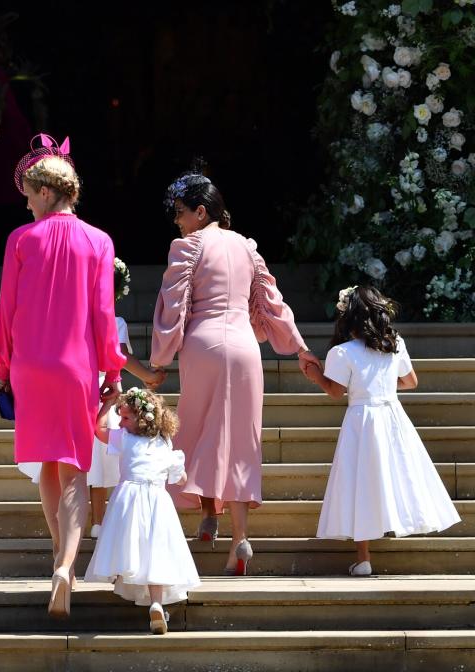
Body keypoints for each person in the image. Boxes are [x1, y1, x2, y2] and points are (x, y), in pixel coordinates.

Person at [151, 171, 320, 576]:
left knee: (196, 430)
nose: (177, 220)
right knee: (242, 441)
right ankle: (239, 538)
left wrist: (159, 360)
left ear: (201, 211)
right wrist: (299, 347)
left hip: (203, 346)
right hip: (245, 349)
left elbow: (173, 308)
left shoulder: (188, 246)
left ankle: (209, 515)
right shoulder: (248, 248)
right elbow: (273, 303)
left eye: (180, 212)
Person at [0, 134, 126, 619]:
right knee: (74, 471)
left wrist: (3, 369)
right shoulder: (100, 241)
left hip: (30, 365)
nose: (25, 202)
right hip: (76, 367)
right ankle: (67, 563)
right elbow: (103, 314)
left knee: (47, 464)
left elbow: (8, 311)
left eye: (28, 192)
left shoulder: (21, 240)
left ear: (47, 192)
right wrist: (111, 368)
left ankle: (57, 554)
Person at [303, 286, 460, 575]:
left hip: (361, 419)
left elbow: (336, 392)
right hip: (392, 415)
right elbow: (411, 381)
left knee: (360, 480)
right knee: (397, 474)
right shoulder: (394, 343)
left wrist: (315, 375)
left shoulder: (341, 353)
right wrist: (383, 384)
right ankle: (395, 522)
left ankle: (363, 557)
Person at [17, 258, 166, 540]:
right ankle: (98, 523)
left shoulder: (66, 317)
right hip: (98, 392)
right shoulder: (113, 321)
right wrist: (148, 375)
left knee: (73, 465)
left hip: (71, 391)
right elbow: (119, 357)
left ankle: (67, 533)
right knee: (96, 465)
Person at [84, 387, 200, 635]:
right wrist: (180, 477)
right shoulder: (164, 443)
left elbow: (99, 429)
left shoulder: (124, 439)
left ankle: (125, 578)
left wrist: (106, 405)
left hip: (128, 498)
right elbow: (180, 477)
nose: (122, 423)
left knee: (129, 543)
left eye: (125, 418)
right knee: (155, 551)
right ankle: (156, 602)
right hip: (158, 500)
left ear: (142, 419)